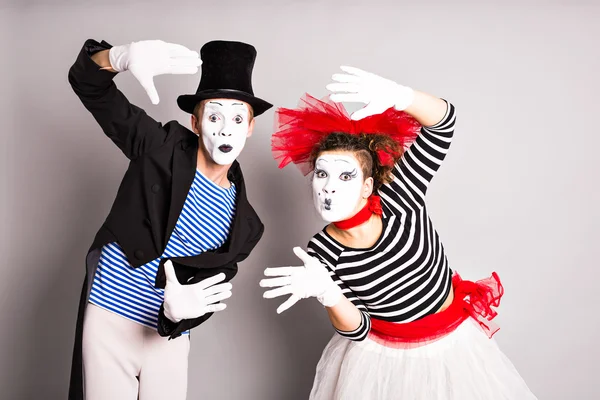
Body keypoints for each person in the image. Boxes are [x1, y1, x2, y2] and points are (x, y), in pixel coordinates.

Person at [261, 66, 537, 399]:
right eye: (322, 175)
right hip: (382, 363)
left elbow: (443, 123)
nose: (329, 188)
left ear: (367, 186)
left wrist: (402, 97)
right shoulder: (321, 250)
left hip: (454, 348)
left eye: (345, 177)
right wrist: (328, 294)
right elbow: (358, 329)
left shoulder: (399, 196)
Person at [67, 38, 271, 400]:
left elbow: (203, 297)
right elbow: (88, 85)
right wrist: (117, 57)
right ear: (195, 122)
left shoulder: (246, 228)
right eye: (214, 116)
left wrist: (180, 316)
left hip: (167, 338)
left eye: (238, 118)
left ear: (250, 127)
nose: (226, 129)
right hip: (109, 322)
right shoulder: (159, 147)